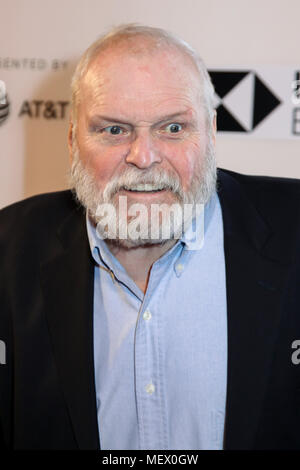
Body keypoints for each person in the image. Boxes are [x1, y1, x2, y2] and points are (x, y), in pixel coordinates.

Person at [0, 24, 300, 451]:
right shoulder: (8, 251)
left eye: (173, 129)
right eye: (114, 130)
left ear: (211, 133)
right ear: (72, 141)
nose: (143, 157)